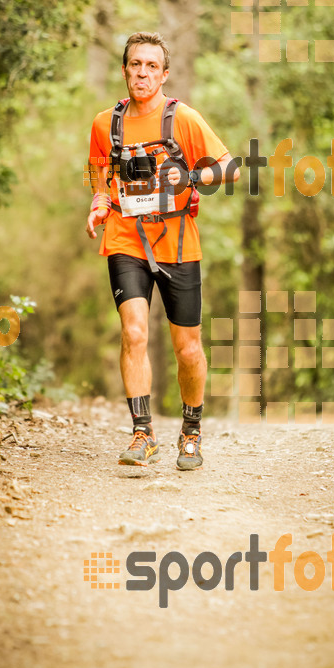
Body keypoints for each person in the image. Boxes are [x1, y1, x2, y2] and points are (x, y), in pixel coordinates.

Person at [86, 31, 238, 470]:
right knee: (133, 331)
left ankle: (191, 433)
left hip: (177, 243)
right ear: (124, 70)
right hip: (125, 239)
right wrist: (99, 206)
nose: (143, 73)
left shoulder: (183, 119)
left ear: (165, 74)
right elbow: (99, 178)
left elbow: (229, 167)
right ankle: (142, 433)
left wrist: (192, 179)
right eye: (136, 64)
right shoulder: (104, 124)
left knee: (187, 348)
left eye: (152, 66)